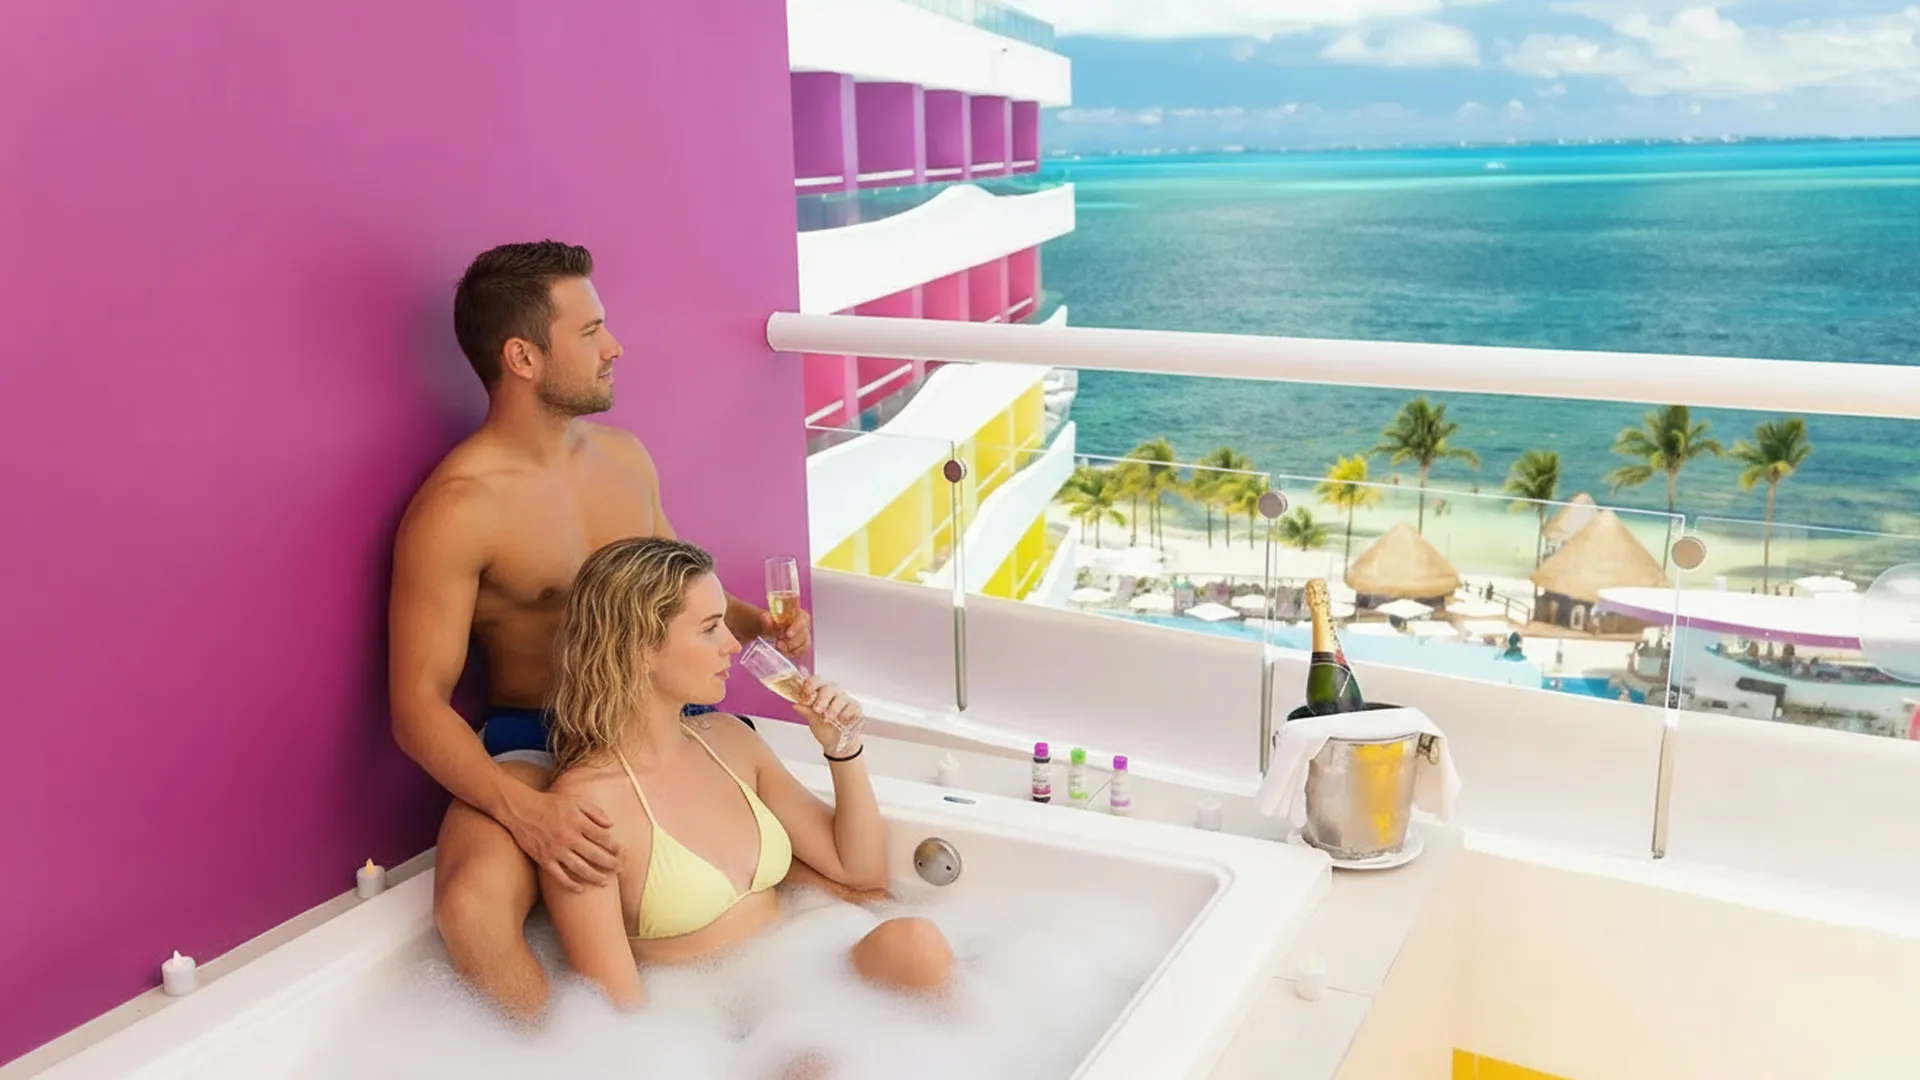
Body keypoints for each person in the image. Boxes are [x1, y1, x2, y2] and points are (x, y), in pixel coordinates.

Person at [387, 241, 813, 1019]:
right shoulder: (460, 506)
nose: (614, 347)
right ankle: (593, 1059)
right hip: (537, 739)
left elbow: (673, 598)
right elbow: (417, 707)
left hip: (660, 723)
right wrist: (529, 813)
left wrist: (758, 626)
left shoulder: (626, 460)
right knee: (471, 911)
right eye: (590, 333)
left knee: (807, 861)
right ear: (522, 355)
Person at [538, 536, 953, 1010]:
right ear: (639, 649)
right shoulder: (584, 812)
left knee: (916, 945)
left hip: (804, 982)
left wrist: (843, 746)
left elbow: (859, 872)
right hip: (717, 1032)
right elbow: (615, 1013)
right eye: (710, 628)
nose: (734, 644)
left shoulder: (729, 740)